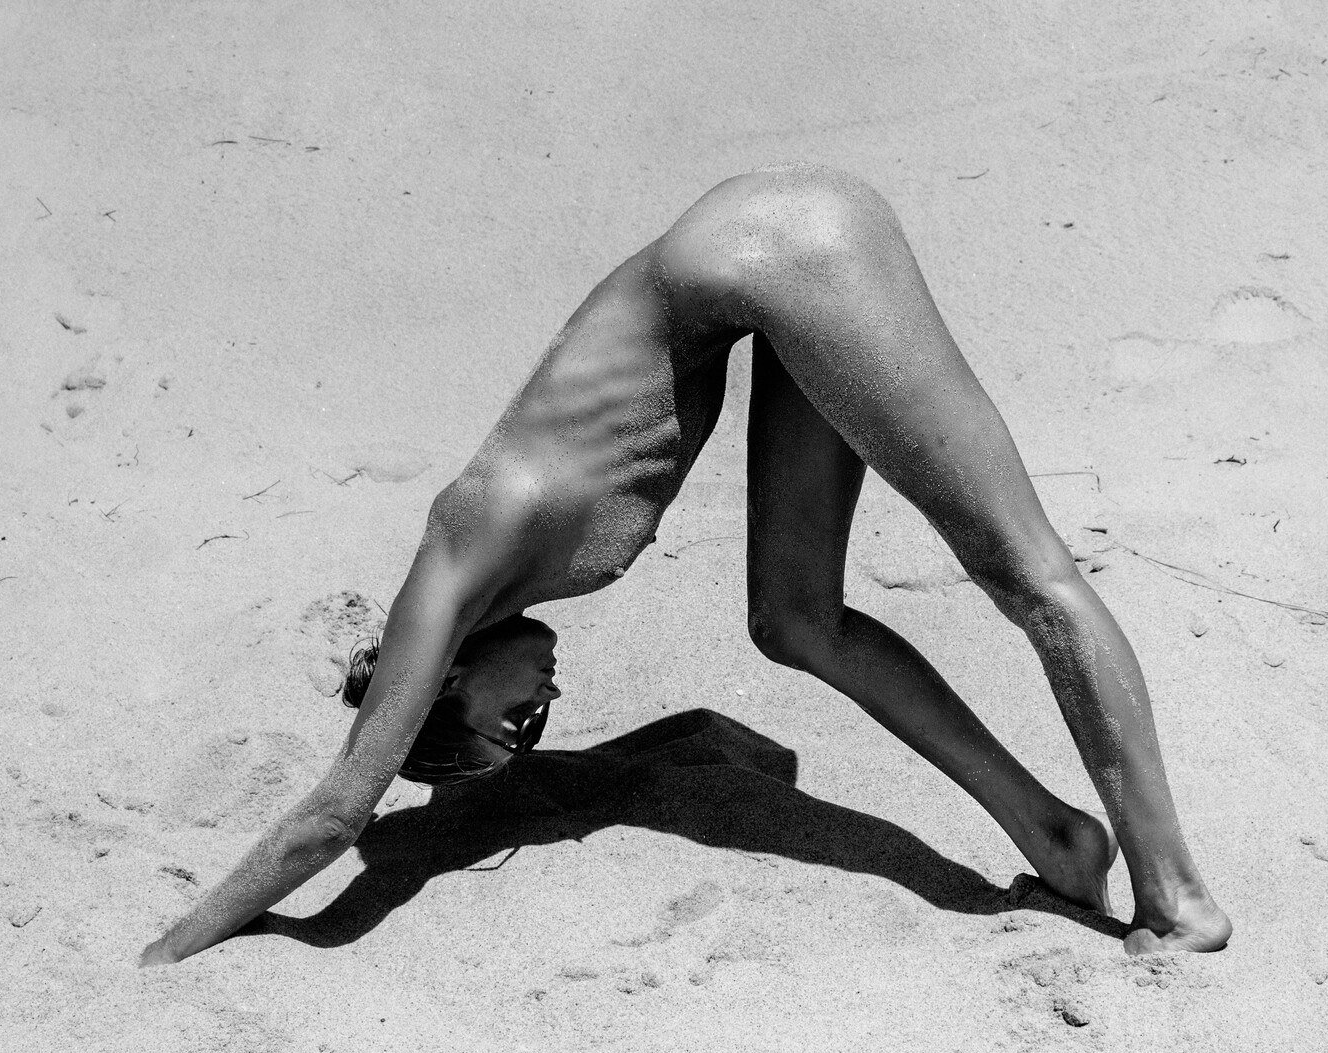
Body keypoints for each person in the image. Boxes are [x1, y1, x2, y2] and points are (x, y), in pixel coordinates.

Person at [139, 164, 1231, 967]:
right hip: (764, 287)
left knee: (1022, 570)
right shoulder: (492, 582)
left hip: (785, 251)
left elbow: (337, 811)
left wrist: (176, 944)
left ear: (446, 679)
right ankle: (1056, 833)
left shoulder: (456, 558)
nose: (542, 709)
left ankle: (1176, 894)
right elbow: (696, 735)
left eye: (512, 722)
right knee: (793, 620)